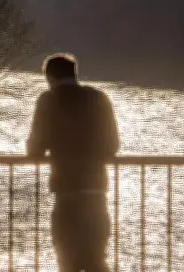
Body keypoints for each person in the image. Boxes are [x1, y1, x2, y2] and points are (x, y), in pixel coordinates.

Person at [26, 53, 120, 272]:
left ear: (49, 77)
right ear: (74, 73)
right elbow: (112, 145)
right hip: (96, 194)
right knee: (97, 260)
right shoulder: (99, 98)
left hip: (66, 195)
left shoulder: (48, 100)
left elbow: (35, 150)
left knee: (67, 261)